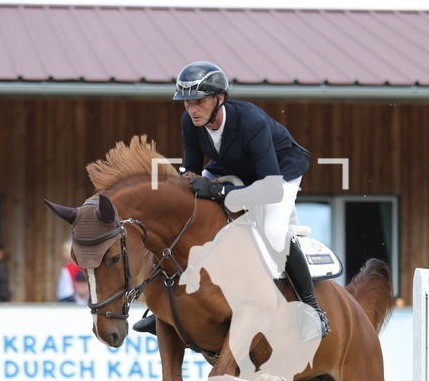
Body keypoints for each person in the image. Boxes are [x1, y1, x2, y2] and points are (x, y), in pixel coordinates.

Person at [133, 60, 328, 338]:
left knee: (274, 232)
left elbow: (270, 189)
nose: (192, 109)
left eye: (199, 102)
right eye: (187, 103)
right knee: (185, 212)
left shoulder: (251, 121)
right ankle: (165, 306)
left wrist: (219, 192)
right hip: (231, 165)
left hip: (279, 173)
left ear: (220, 98)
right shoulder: (190, 121)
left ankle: (312, 311)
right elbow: (191, 172)